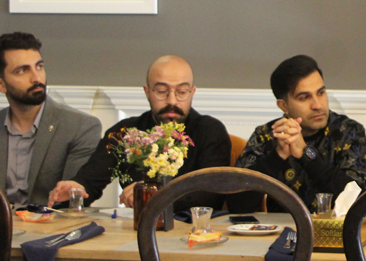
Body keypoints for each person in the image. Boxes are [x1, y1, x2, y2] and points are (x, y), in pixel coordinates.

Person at [48, 55, 232, 212]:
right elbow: (90, 181)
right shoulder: (126, 133)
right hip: (137, 230)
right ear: (147, 92)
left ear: (192, 92)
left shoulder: (210, 131)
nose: (172, 100)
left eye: (182, 92)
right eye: (161, 91)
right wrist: (76, 189)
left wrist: (152, 194)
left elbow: (211, 196)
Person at [0, 32, 101, 207]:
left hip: (52, 223)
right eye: (22, 71)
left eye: (39, 67)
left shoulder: (80, 127)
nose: (36, 78)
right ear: (0, 85)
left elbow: (73, 203)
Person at [233, 55, 366, 212]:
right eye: (304, 98)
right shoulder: (266, 135)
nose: (317, 105)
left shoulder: (348, 131)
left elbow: (358, 199)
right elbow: (237, 205)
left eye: (321, 93)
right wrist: (277, 156)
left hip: (335, 227)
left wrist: (307, 154)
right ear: (284, 106)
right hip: (281, 227)